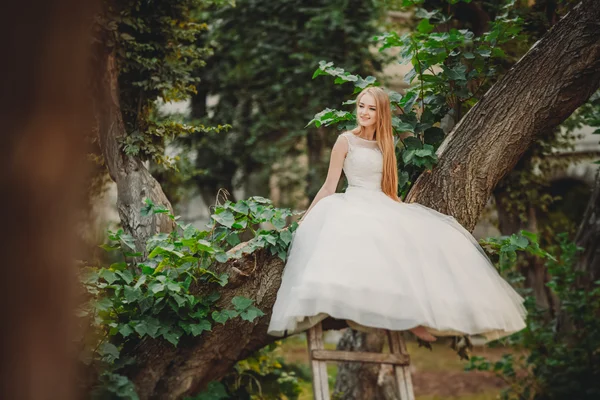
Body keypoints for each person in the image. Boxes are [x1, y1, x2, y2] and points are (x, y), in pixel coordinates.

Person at [267, 86, 526, 342]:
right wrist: (305, 218)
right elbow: (329, 185)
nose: (364, 112)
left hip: (380, 201)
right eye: (361, 106)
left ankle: (416, 317)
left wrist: (405, 215)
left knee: (412, 247)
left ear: (381, 114)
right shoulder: (345, 141)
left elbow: (388, 188)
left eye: (371, 108)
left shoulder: (385, 144)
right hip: (352, 200)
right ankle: (359, 308)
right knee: (355, 245)